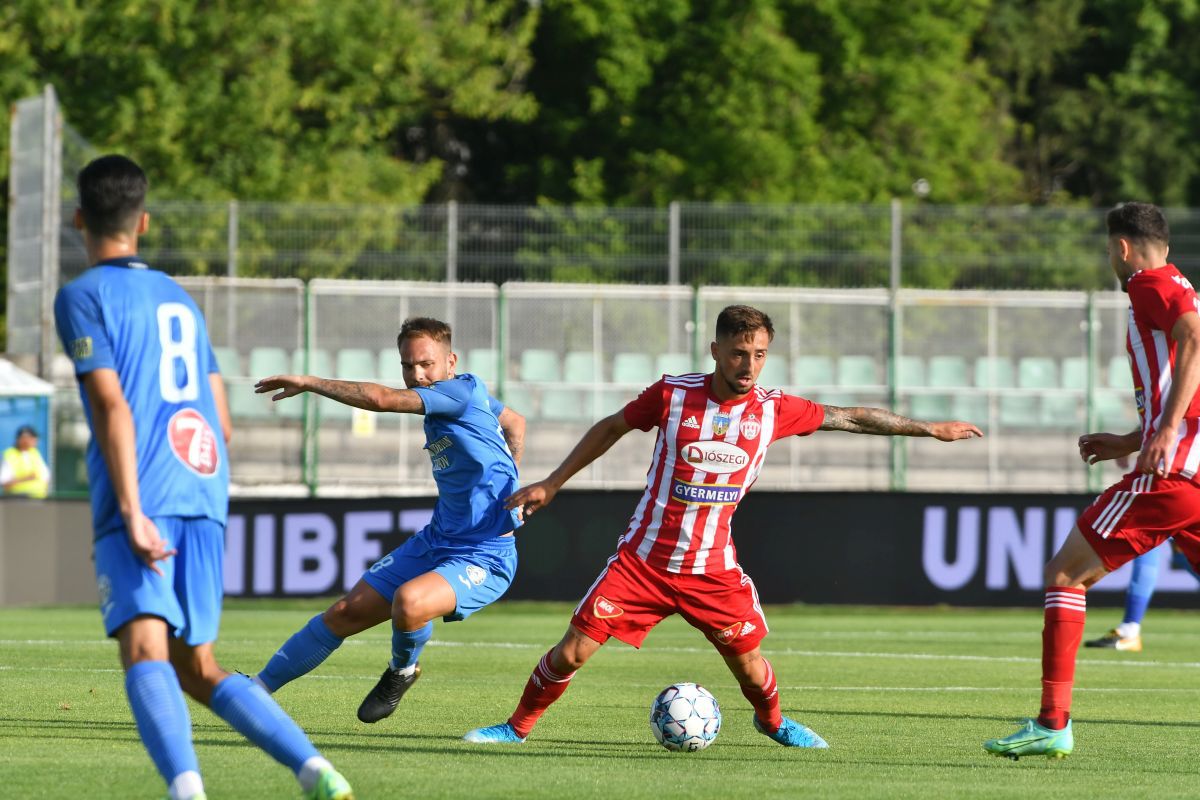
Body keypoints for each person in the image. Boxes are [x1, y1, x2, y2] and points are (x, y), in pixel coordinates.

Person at [462, 304, 982, 747]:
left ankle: (773, 722)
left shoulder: (774, 410)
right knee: (573, 648)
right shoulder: (672, 395)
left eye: (759, 354)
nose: (749, 365)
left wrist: (928, 428)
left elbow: (851, 417)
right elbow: (612, 427)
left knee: (751, 668)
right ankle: (516, 727)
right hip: (643, 562)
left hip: (712, 570)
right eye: (739, 353)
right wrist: (553, 482)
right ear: (715, 350)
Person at [54, 155, 353, 800]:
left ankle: (187, 792)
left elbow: (111, 404)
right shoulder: (178, 298)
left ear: (79, 218)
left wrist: (132, 509)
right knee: (199, 665)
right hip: (203, 486)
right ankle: (317, 771)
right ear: (145, 221)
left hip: (147, 490)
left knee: (144, 650)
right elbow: (222, 418)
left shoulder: (82, 296)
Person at [984, 202, 1200, 761]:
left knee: (1064, 574)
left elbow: (1193, 338)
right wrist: (1132, 440)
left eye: (1109, 249)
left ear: (1123, 248)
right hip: (1191, 465)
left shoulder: (1147, 284)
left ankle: (1052, 722)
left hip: (1175, 472)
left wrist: (1164, 432)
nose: (1109, 258)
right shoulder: (1177, 279)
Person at [252, 317, 525, 725]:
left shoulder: (457, 393)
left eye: (426, 365)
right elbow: (515, 422)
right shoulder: (474, 390)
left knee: (410, 602)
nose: (417, 375)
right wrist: (513, 481)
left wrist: (310, 382)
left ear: (451, 361)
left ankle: (402, 671)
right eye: (407, 366)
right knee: (344, 612)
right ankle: (255, 691)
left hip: (485, 555)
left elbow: (380, 400)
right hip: (437, 540)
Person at [1, 424, 50, 498]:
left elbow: (45, 477)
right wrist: (26, 478)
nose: (35, 440)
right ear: (22, 439)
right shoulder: (9, 455)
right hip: (18, 501)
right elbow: (4, 484)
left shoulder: (34, 453)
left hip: (39, 500)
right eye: (32, 438)